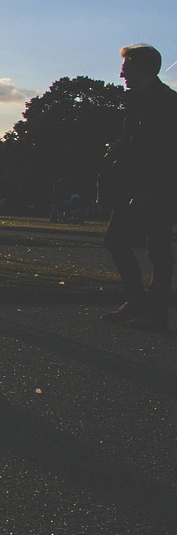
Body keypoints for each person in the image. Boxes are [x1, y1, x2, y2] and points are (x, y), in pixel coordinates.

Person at [101, 44, 177, 332]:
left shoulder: (167, 103)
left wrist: (147, 188)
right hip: (134, 184)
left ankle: (154, 312)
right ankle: (140, 303)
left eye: (127, 67)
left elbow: (166, 153)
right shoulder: (138, 100)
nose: (121, 73)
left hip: (158, 187)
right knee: (117, 240)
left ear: (144, 69)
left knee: (157, 248)